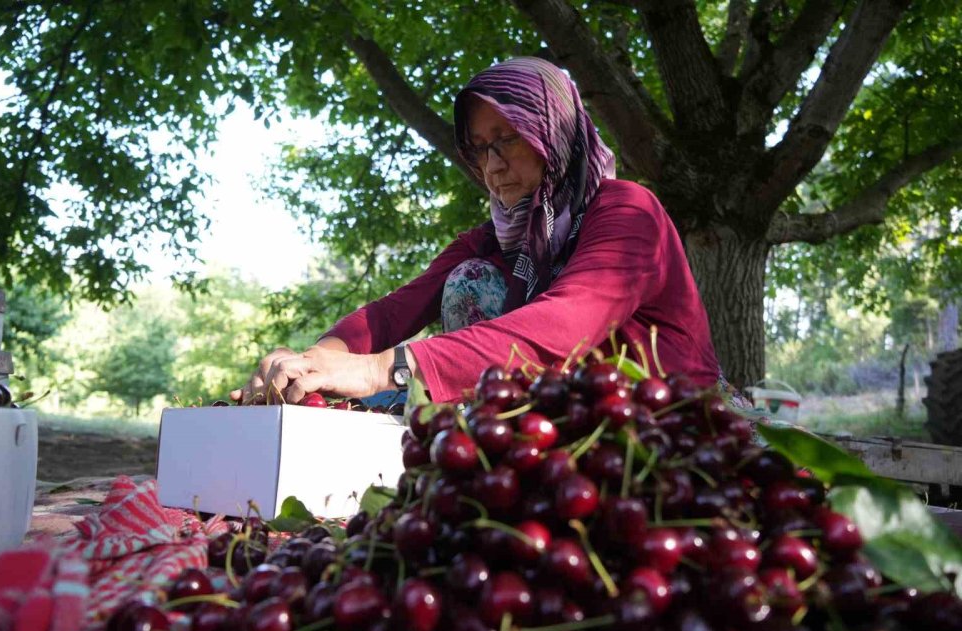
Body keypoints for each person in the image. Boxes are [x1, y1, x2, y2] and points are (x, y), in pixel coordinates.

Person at [231, 56, 722, 407]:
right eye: (480, 148)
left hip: (662, 414)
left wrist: (382, 369)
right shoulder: (491, 241)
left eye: (508, 139)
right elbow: (391, 313)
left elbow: (568, 325)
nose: (493, 165)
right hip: (559, 420)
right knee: (466, 276)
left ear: (553, 133)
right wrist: (311, 360)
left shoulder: (627, 212)